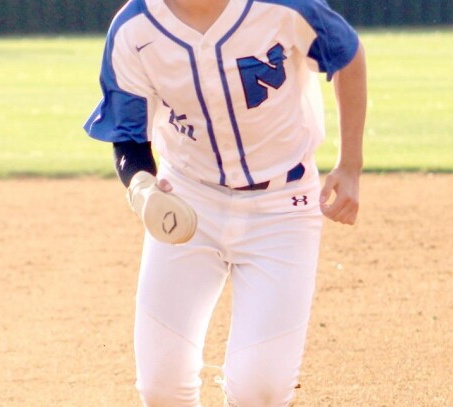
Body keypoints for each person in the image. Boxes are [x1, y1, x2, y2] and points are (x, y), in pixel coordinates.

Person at [84, 0, 366, 405]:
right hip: (188, 199)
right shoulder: (134, 28)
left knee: (260, 390)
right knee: (161, 386)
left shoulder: (284, 7)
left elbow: (347, 53)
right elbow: (128, 136)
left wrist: (350, 165)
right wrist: (142, 188)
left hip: (282, 205)